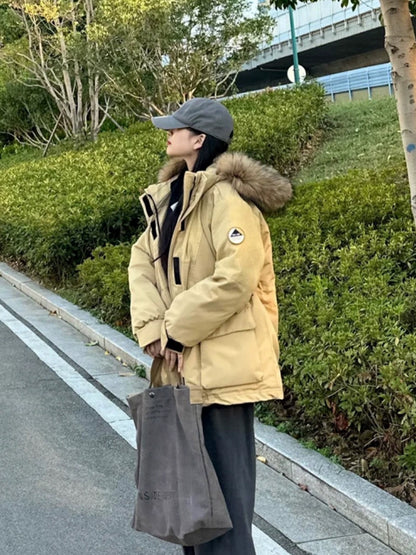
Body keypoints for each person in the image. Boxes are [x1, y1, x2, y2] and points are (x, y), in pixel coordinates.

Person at [128, 97, 292, 554]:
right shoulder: (170, 198)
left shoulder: (228, 199)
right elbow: (141, 262)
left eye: (176, 128)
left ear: (199, 139)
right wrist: (156, 331)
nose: (168, 133)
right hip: (179, 369)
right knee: (190, 509)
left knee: (225, 514)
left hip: (225, 369)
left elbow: (236, 278)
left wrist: (177, 328)